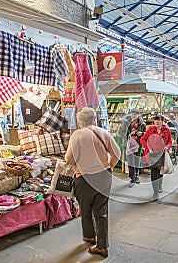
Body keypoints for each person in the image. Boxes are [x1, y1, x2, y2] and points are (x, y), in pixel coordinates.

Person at [65, 107, 121, 258]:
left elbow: (69, 159)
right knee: (101, 211)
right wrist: (109, 165)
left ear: (80, 121)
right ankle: (102, 247)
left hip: (84, 178)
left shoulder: (77, 135)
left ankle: (89, 236)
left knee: (85, 208)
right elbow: (117, 153)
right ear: (94, 119)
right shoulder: (104, 133)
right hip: (104, 176)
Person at [140, 114, 172, 200]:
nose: (157, 122)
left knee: (160, 172)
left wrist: (167, 147)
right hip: (152, 155)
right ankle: (155, 192)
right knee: (154, 174)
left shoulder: (166, 130)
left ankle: (159, 186)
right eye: (155, 120)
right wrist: (148, 147)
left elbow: (170, 141)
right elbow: (142, 139)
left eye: (159, 120)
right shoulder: (150, 129)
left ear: (162, 121)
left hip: (162, 154)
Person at [118, 108, 146, 187]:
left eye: (135, 114)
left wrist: (141, 133)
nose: (133, 116)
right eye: (132, 114)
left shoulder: (142, 124)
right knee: (130, 161)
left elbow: (146, 134)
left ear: (138, 115)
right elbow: (121, 133)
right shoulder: (126, 123)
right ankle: (132, 178)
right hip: (128, 145)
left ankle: (136, 176)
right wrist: (129, 134)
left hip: (138, 145)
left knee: (137, 160)